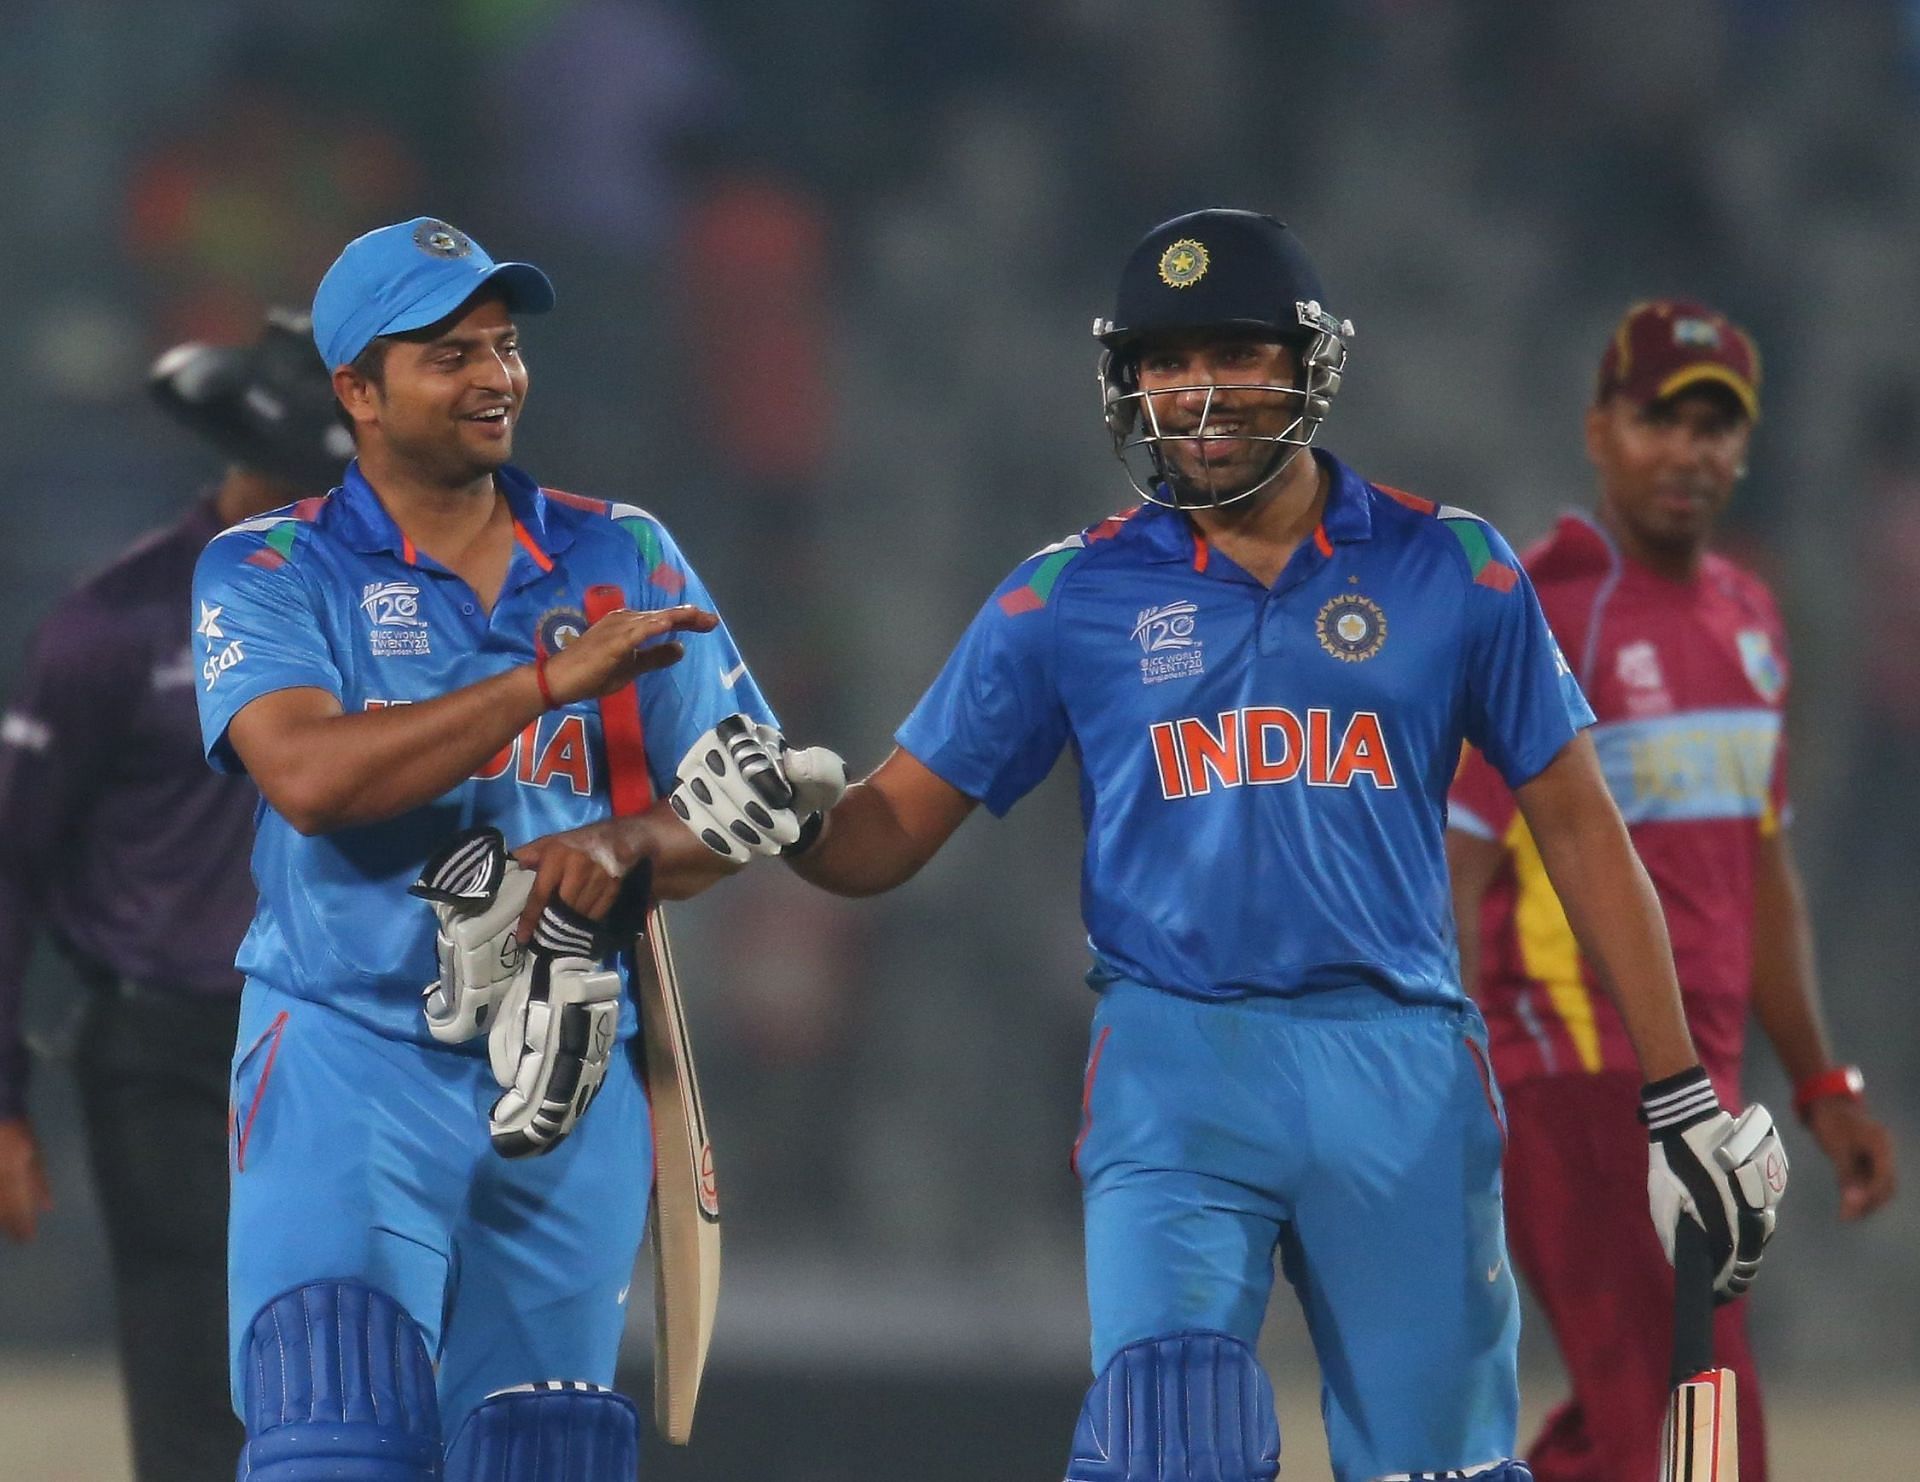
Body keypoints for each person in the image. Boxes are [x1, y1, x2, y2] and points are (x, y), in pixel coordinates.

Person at [638, 209, 1792, 1482]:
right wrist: (796, 815)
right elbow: (885, 834)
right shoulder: (1063, 596)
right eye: (1166, 360)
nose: (1197, 392)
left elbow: (1578, 829)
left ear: (1307, 366)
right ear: (1127, 379)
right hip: (1175, 1068)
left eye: (1233, 355)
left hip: (1400, 1067)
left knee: (1442, 1471)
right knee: (1166, 1439)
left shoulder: (1453, 566)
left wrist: (1679, 1094)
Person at [190, 217, 818, 1481]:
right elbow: (308, 778)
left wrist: (627, 842)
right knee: (335, 1431)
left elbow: (743, 799)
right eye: (447, 355)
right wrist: (543, 683)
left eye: (503, 346)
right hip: (344, 1056)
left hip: (571, 1069)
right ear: (356, 391)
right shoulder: (271, 564)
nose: (494, 377)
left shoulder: (620, 552)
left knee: (546, 1454)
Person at [1446, 299, 1896, 1482]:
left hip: (1708, 1103)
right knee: (1698, 1442)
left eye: (1716, 426)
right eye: (1661, 419)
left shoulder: (1750, 617)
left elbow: (1762, 871)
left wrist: (1821, 1082)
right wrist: (1431, 1084)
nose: (1690, 452)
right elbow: (1460, 858)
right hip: (1578, 1078)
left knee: (1640, 1433)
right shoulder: (1542, 612)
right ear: (1598, 429)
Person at [0, 308, 349, 1482]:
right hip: (166, 1044)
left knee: (358, 1359)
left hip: (346, 1038)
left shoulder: (405, 618)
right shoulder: (116, 623)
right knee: (203, 1355)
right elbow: (14, 858)